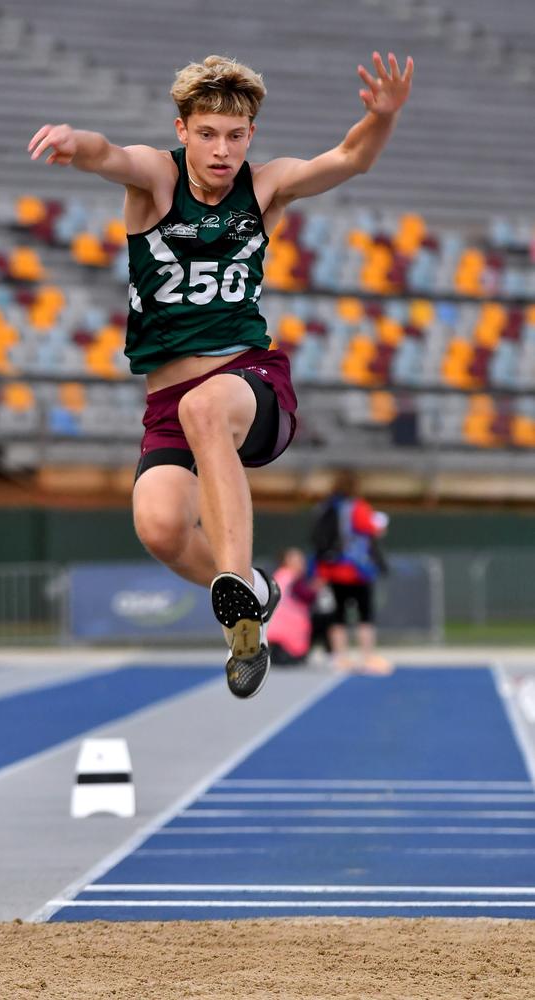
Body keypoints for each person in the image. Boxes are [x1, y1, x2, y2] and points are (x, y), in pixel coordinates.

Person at [28, 51, 413, 698]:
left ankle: (234, 601)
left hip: (250, 381)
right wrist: (75, 143)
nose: (221, 150)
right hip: (166, 399)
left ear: (250, 138)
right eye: (207, 133)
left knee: (205, 408)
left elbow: (350, 159)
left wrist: (382, 117)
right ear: (183, 131)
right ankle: (253, 590)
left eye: (235, 136)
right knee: (159, 526)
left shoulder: (264, 187)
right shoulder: (157, 178)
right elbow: (107, 153)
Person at [311, 470, 391, 674]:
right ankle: (367, 657)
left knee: (337, 615)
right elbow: (373, 528)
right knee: (365, 614)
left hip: (332, 570)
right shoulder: (358, 508)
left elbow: (317, 540)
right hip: (357, 570)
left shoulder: (325, 508)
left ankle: (340, 657)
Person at [267, 548, 322, 667]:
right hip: (287, 623)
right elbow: (305, 595)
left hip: (276, 623)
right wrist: (315, 589)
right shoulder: (292, 578)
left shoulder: (279, 575)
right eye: (297, 560)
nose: (301, 563)